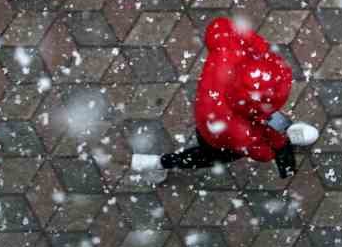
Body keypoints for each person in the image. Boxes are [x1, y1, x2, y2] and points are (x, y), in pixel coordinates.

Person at [132, 16, 318, 182]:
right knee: (209, 156)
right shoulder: (239, 131)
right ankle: (156, 163)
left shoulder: (229, 54)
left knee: (262, 118)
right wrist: (278, 148)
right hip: (216, 133)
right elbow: (262, 152)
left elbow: (219, 28)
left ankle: (283, 131)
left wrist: (256, 50)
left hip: (214, 111)